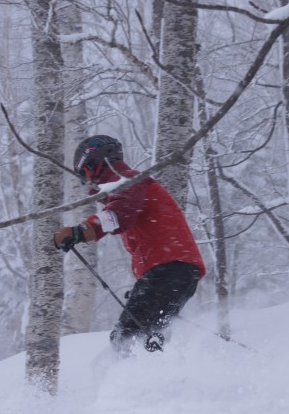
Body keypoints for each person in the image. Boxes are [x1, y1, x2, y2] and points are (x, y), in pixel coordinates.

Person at [53, 135, 206, 354]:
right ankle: (169, 378)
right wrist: (142, 287)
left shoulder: (128, 180)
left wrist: (79, 232)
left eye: (84, 176)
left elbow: (119, 215)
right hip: (172, 271)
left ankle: (135, 383)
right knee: (147, 337)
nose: (86, 184)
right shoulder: (129, 185)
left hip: (170, 270)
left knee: (126, 338)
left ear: (94, 164)